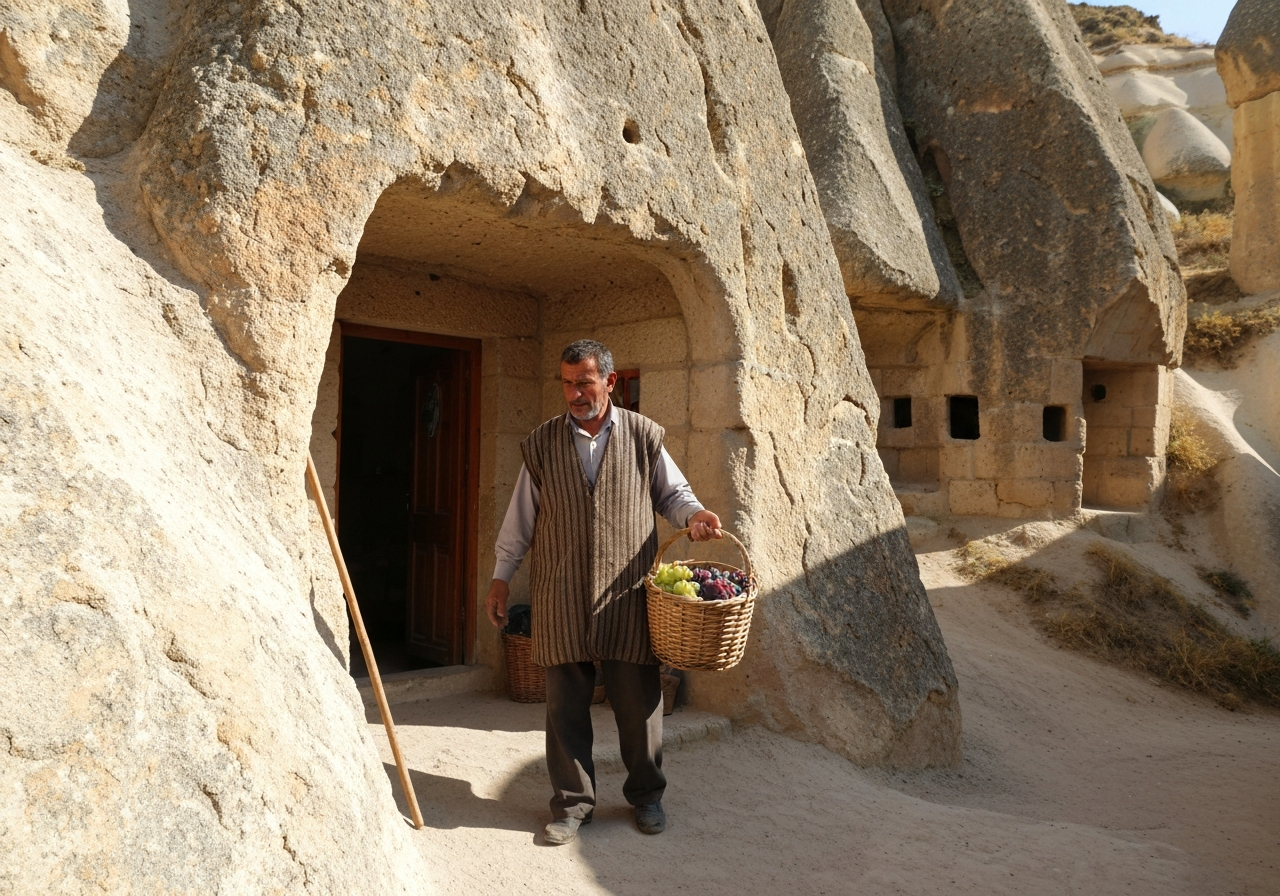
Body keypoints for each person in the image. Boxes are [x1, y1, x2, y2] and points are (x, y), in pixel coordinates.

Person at [484, 339, 723, 845]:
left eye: (584, 382)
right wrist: (502, 576)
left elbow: (673, 494)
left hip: (627, 595)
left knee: (638, 703)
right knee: (564, 707)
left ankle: (647, 797)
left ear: (609, 382)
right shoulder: (543, 443)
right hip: (561, 593)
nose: (574, 393)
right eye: (567, 383)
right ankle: (572, 806)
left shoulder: (643, 436)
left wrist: (696, 515)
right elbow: (520, 520)